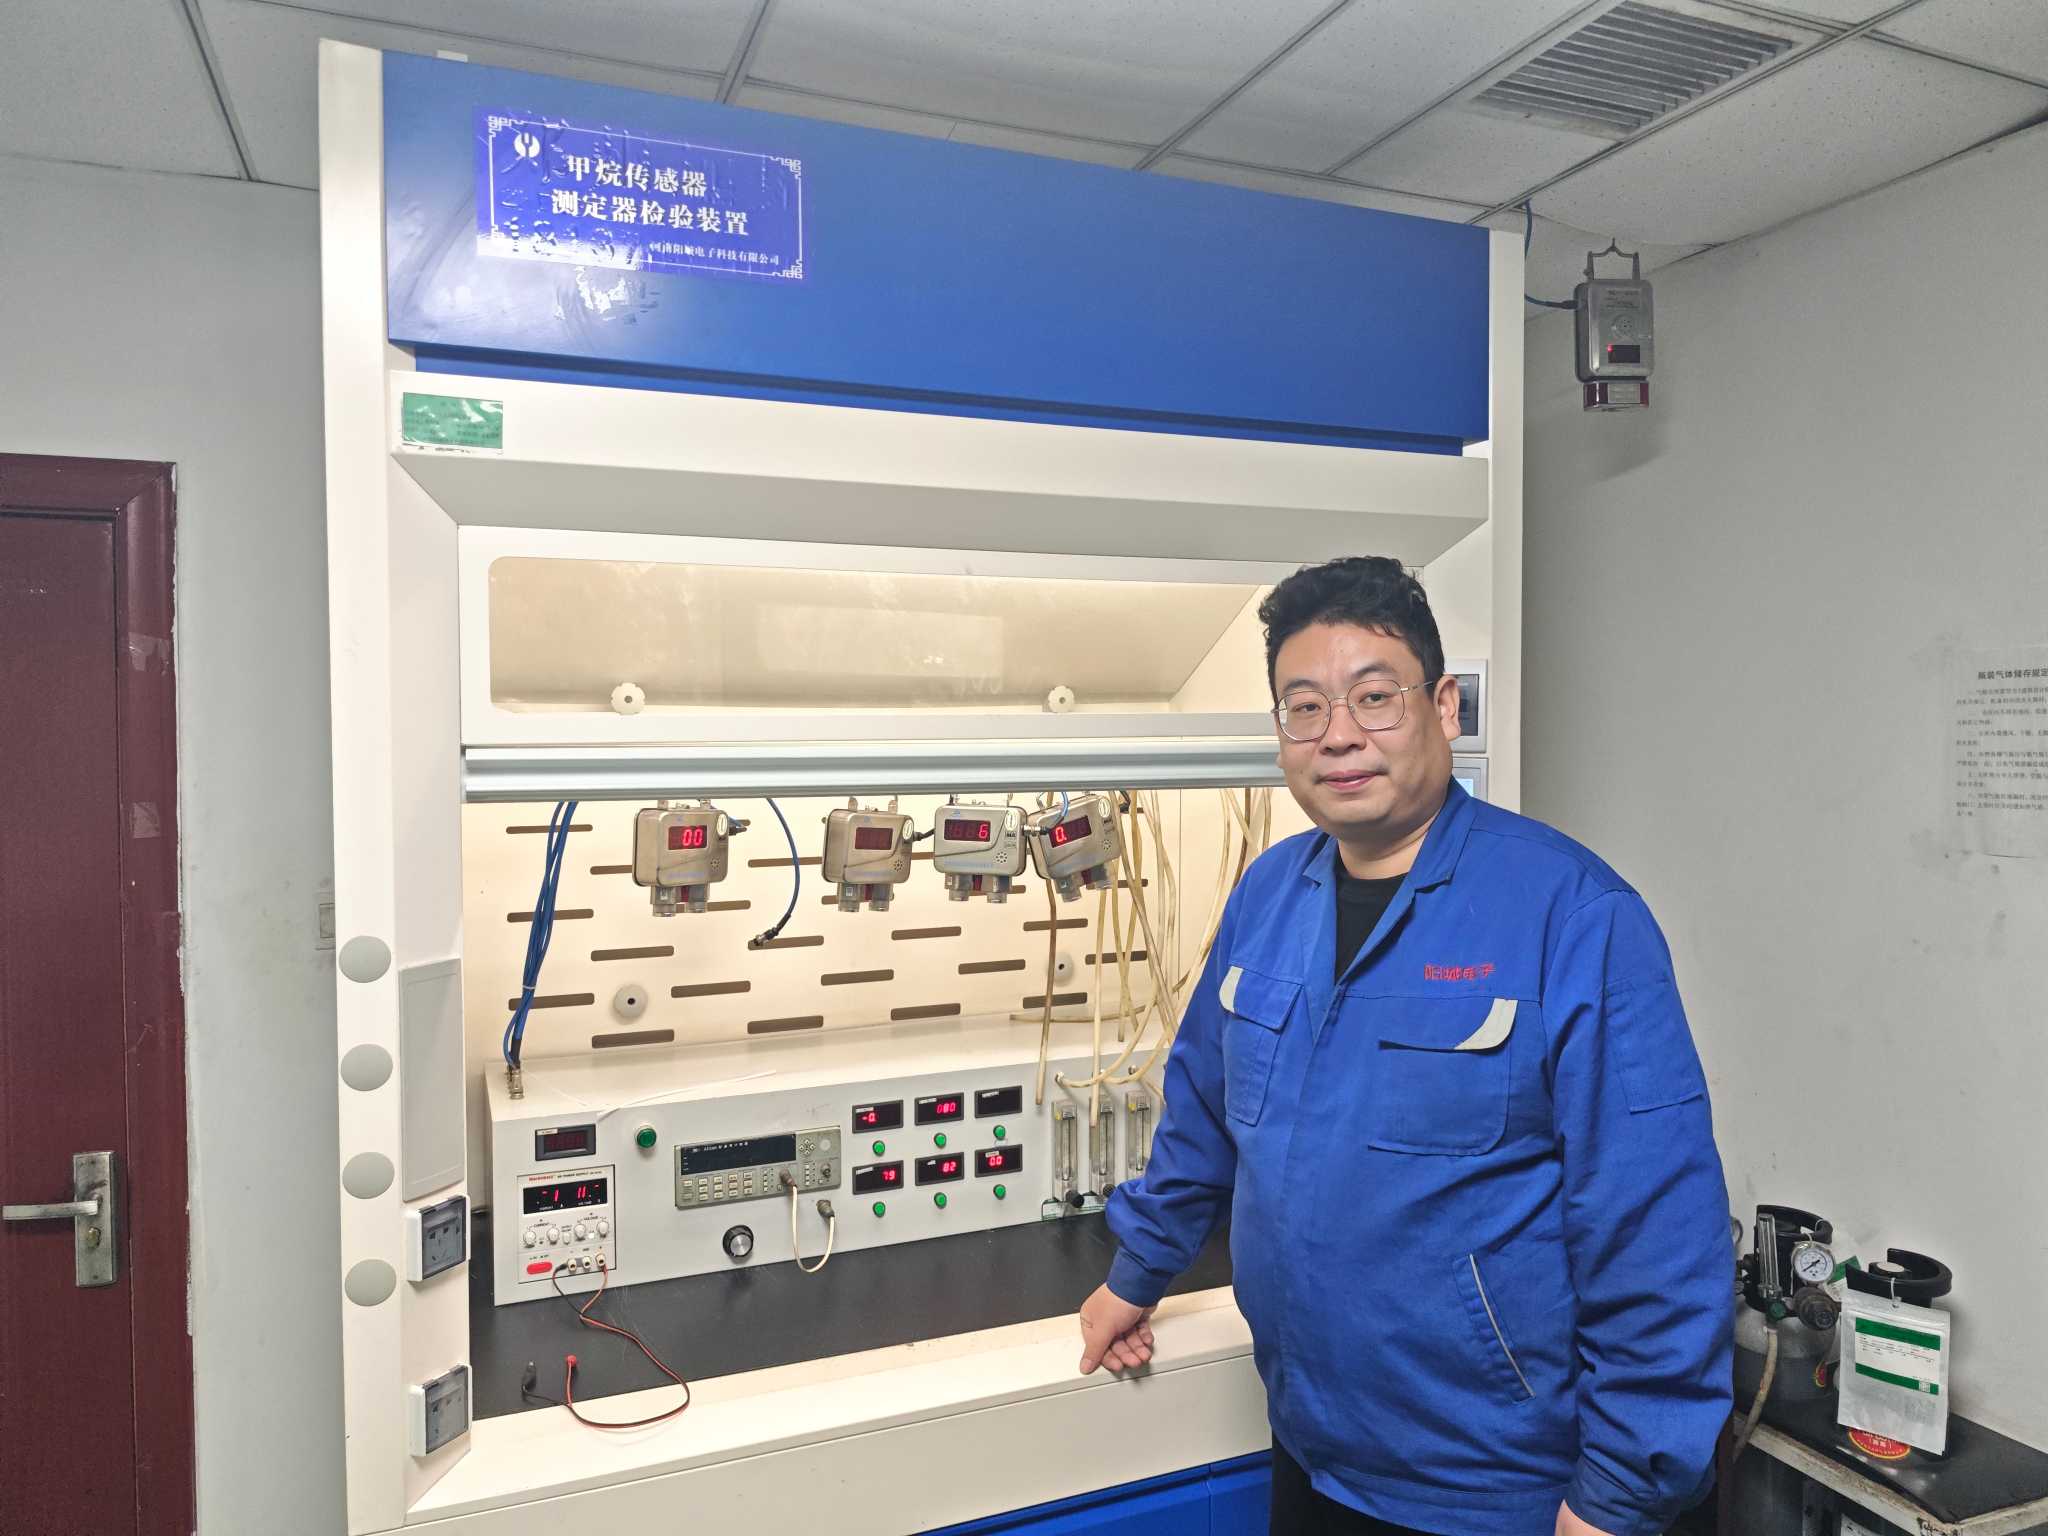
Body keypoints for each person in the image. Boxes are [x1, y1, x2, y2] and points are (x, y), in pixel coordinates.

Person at [1075, 557, 1731, 1536]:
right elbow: (1203, 1109)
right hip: (1311, 1450)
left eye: (1373, 697)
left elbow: (1654, 1226)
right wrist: (1138, 1271)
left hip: (1494, 1491)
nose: (1338, 734)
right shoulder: (1267, 897)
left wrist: (1617, 1495)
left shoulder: (1573, 916)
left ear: (1444, 707)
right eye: (1304, 707)